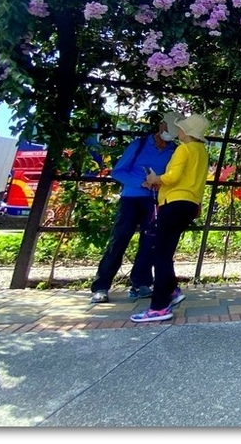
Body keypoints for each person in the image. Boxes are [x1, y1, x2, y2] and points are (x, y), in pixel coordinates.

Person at [89, 111, 181, 304]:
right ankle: (101, 286)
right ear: (161, 125)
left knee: (149, 243)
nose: (168, 135)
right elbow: (118, 171)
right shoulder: (138, 145)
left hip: (155, 200)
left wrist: (159, 182)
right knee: (119, 240)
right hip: (131, 199)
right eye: (167, 129)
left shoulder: (175, 151)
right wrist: (142, 182)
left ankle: (141, 284)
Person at [130, 113, 211, 323]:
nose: (178, 132)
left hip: (174, 203)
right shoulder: (202, 151)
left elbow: (173, 177)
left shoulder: (184, 149)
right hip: (190, 204)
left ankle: (159, 306)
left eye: (181, 128)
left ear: (187, 132)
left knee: (161, 254)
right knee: (165, 251)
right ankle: (172, 290)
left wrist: (155, 179)